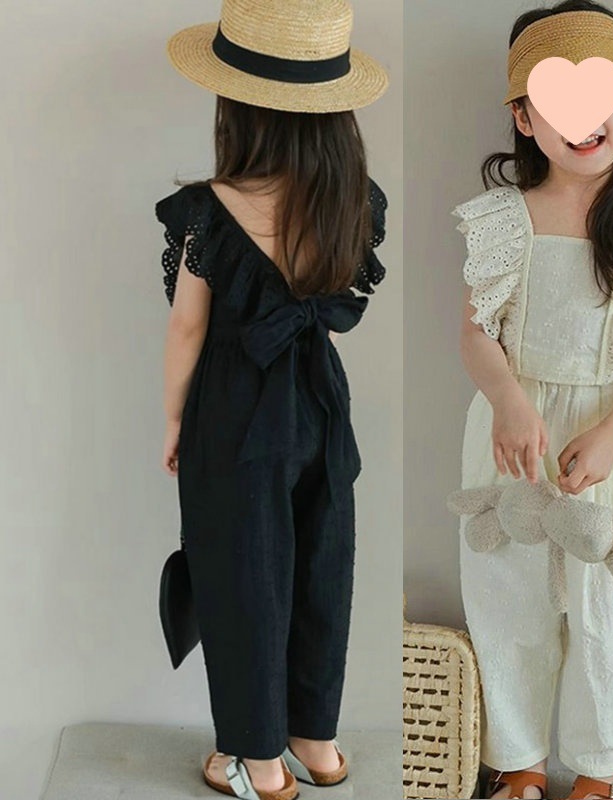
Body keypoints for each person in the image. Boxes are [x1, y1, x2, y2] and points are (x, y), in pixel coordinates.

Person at [452, 2, 613, 798]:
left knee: (609, 608)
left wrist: (612, 433)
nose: (580, 122)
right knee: (509, 597)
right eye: (555, 102)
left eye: (597, 95)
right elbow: (476, 333)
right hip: (513, 433)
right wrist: (507, 399)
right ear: (524, 117)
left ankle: (602, 770)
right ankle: (519, 759)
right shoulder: (502, 221)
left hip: (611, 441)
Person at [155, 2, 389, 798]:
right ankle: (316, 743)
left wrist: (175, 418)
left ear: (239, 109)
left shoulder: (210, 211)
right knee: (324, 562)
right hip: (320, 403)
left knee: (240, 575)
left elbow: (188, 328)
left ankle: (257, 761)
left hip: (235, 410)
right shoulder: (352, 200)